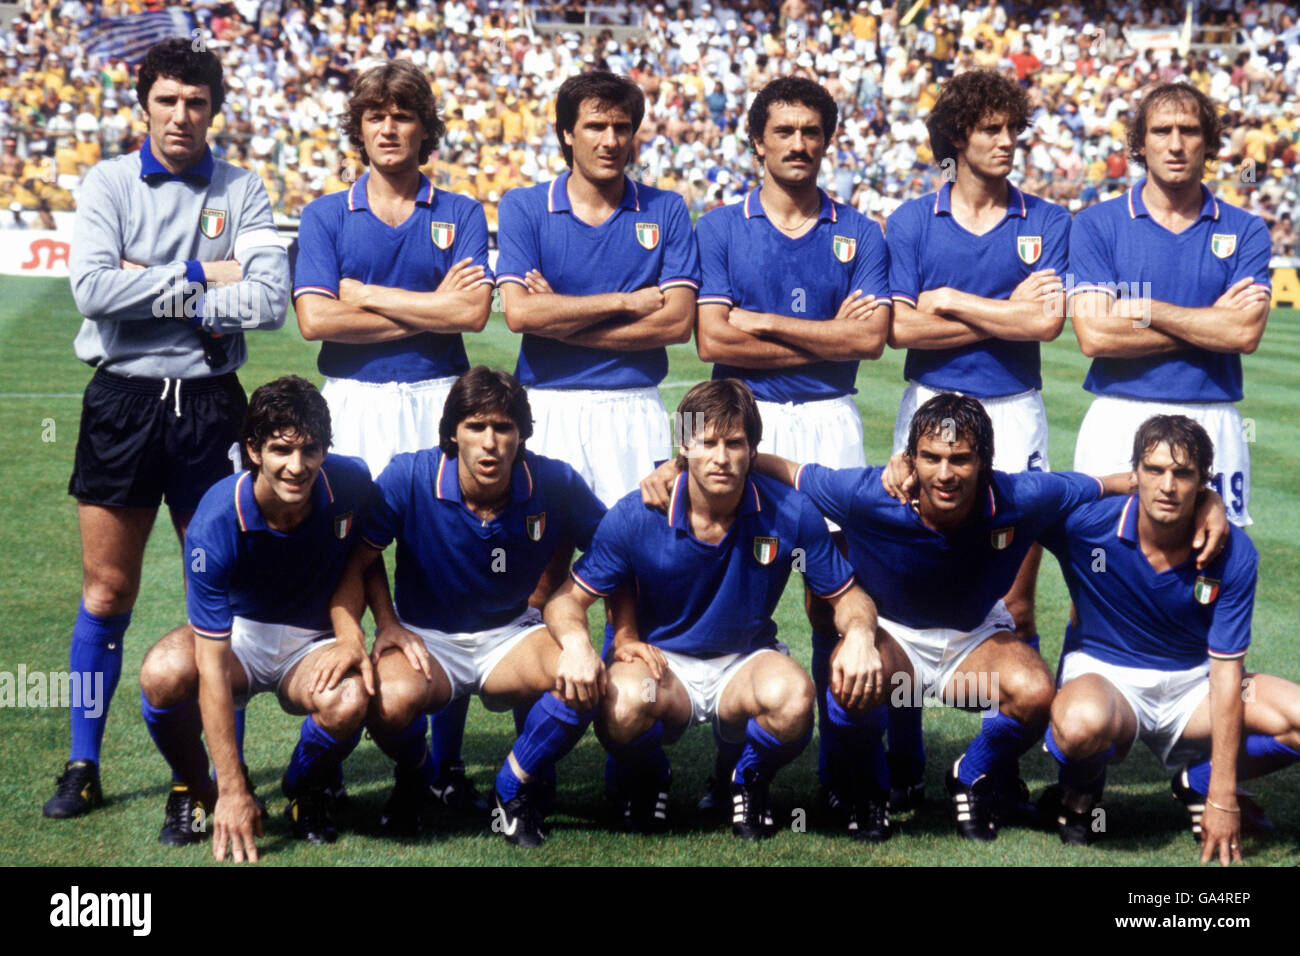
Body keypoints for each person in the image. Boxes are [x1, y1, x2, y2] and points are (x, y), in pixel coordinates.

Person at [643, 393, 1228, 841]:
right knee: (853, 677)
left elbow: (1123, 481)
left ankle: (970, 774)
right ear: (911, 459)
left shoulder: (1024, 495)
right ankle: (868, 790)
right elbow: (785, 468)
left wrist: (1208, 498)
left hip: (973, 640)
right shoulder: (868, 492)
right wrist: (680, 466)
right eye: (931, 457)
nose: (945, 473)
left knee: (1032, 689)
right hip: (892, 637)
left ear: (984, 462)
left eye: (960, 459)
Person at [49, 38, 289, 819]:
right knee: (107, 589)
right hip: (121, 401)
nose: (181, 116)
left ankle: (218, 774)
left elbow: (267, 301)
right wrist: (198, 275)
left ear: (212, 110)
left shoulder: (242, 188)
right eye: (167, 101)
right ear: (144, 105)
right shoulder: (109, 182)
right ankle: (82, 762)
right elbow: (90, 290)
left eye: (195, 103)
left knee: (213, 593)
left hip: (213, 406)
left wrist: (143, 283)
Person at [491, 69, 700, 814]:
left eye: (622, 128)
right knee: (539, 577)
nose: (611, 140)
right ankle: (535, 764)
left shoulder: (666, 210)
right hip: (546, 407)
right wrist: (622, 300)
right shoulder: (524, 207)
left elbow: (676, 321)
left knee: (633, 579)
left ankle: (630, 763)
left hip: (636, 408)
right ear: (566, 134)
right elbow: (519, 315)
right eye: (595, 127)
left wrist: (563, 311)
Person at [294, 60, 496, 815]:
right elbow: (316, 320)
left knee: (443, 560)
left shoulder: (462, 211)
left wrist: (369, 295)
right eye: (375, 114)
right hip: (354, 400)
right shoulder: (324, 216)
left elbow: (471, 317)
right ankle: (335, 750)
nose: (388, 127)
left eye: (403, 114)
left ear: (424, 127)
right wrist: (429, 304)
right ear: (358, 127)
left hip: (441, 398)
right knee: (344, 551)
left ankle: (439, 763)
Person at [553, 379, 879, 840]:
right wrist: (575, 643)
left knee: (794, 699)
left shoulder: (790, 511)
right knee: (621, 707)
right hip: (663, 668)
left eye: (735, 443)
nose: (722, 458)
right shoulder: (637, 512)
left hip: (745, 662)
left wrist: (861, 636)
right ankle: (651, 779)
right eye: (707, 443)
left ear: (753, 449)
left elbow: (847, 597)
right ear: (683, 447)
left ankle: (745, 780)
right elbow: (568, 599)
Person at [692, 75, 891, 824]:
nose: (799, 144)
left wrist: (763, 325)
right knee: (728, 594)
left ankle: (842, 780)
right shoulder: (719, 226)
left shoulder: (859, 232)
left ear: (828, 140)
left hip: (829, 423)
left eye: (812, 131)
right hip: (737, 426)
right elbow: (713, 339)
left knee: (829, 600)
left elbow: (868, 341)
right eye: (784, 131)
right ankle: (734, 773)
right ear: (757, 141)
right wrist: (822, 334)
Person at [883, 69, 1071, 811]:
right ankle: (902, 760)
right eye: (992, 129)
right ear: (959, 135)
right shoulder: (910, 220)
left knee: (1016, 603)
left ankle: (998, 762)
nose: (1007, 141)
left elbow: (1045, 325)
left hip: (1015, 411)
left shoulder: (1045, 218)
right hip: (929, 405)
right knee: (904, 588)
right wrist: (1004, 311)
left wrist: (956, 300)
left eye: (1013, 129)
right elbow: (901, 326)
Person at [331, 367, 608, 848]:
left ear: (520, 434)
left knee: (584, 676)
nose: (490, 442)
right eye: (476, 427)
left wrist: (566, 606)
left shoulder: (553, 480)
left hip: (510, 633)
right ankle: (420, 775)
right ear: (453, 432)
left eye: (503, 427)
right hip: (426, 637)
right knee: (386, 700)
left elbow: (614, 551)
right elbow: (358, 561)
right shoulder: (409, 475)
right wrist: (387, 625)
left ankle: (514, 786)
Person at [1039, 415, 1300, 863]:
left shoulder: (1233, 551)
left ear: (1203, 483)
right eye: (1155, 470)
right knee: (1080, 724)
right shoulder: (1088, 526)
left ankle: (1196, 782)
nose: (1167, 485)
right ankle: (1080, 793)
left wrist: (1222, 796)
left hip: (1193, 686)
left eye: (1183, 473)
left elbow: (1226, 672)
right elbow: (1021, 503)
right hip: (1106, 679)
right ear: (1134, 473)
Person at [137, 376, 376, 860]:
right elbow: (211, 665)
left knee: (351, 698)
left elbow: (365, 561)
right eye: (281, 450)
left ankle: (304, 787)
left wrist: (357, 635)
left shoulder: (352, 483)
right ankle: (192, 787)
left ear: (326, 450)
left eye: (310, 450)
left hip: (314, 641)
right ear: (253, 450)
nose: (297, 466)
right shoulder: (214, 520)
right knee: (162, 673)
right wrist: (229, 789)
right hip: (238, 640)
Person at [1069, 82, 1271, 528]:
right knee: (1100, 571)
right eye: (1162, 131)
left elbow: (1243, 334)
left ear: (1210, 142)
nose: (1176, 144)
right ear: (1141, 142)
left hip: (1213, 418)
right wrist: (1210, 325)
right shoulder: (1096, 224)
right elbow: (1095, 335)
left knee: (1209, 571)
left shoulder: (1247, 229)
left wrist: (1144, 308)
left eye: (1190, 130)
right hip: (1118, 413)